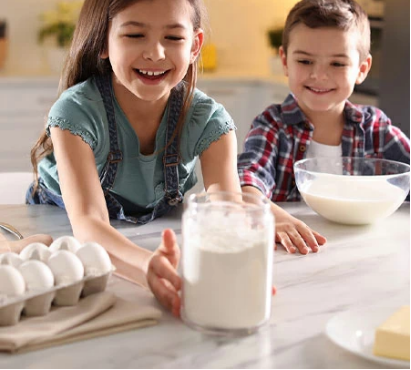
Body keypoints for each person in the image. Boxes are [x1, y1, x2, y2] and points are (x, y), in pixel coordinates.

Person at [27, 0, 241, 317]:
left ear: (194, 46)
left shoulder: (211, 122)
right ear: (103, 42)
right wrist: (145, 266)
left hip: (147, 227)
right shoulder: (74, 112)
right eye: (134, 35)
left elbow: (227, 211)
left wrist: (239, 271)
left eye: (173, 38)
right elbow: (88, 222)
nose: (155, 53)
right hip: (62, 222)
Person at [237, 0, 410, 255]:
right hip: (292, 254)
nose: (319, 75)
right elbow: (246, 182)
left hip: (363, 252)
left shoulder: (376, 129)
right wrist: (273, 215)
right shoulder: (273, 126)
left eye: (337, 64)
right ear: (285, 61)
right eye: (305, 61)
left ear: (362, 69)